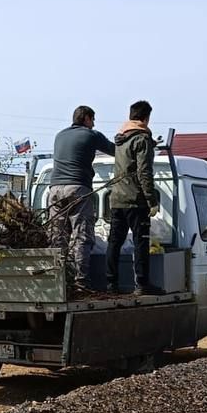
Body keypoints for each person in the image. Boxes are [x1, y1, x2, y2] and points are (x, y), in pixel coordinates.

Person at [47, 106, 114, 295]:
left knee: (57, 236)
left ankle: (57, 281)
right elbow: (114, 150)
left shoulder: (60, 135)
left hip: (54, 190)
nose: (94, 124)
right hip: (77, 188)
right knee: (81, 236)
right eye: (93, 119)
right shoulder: (91, 135)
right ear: (86, 119)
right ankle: (80, 282)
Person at [105, 100, 162, 296]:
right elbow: (144, 172)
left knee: (115, 242)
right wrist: (152, 200)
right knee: (140, 242)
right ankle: (142, 285)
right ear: (146, 118)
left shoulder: (120, 140)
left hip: (116, 198)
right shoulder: (142, 140)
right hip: (136, 200)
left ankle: (111, 284)